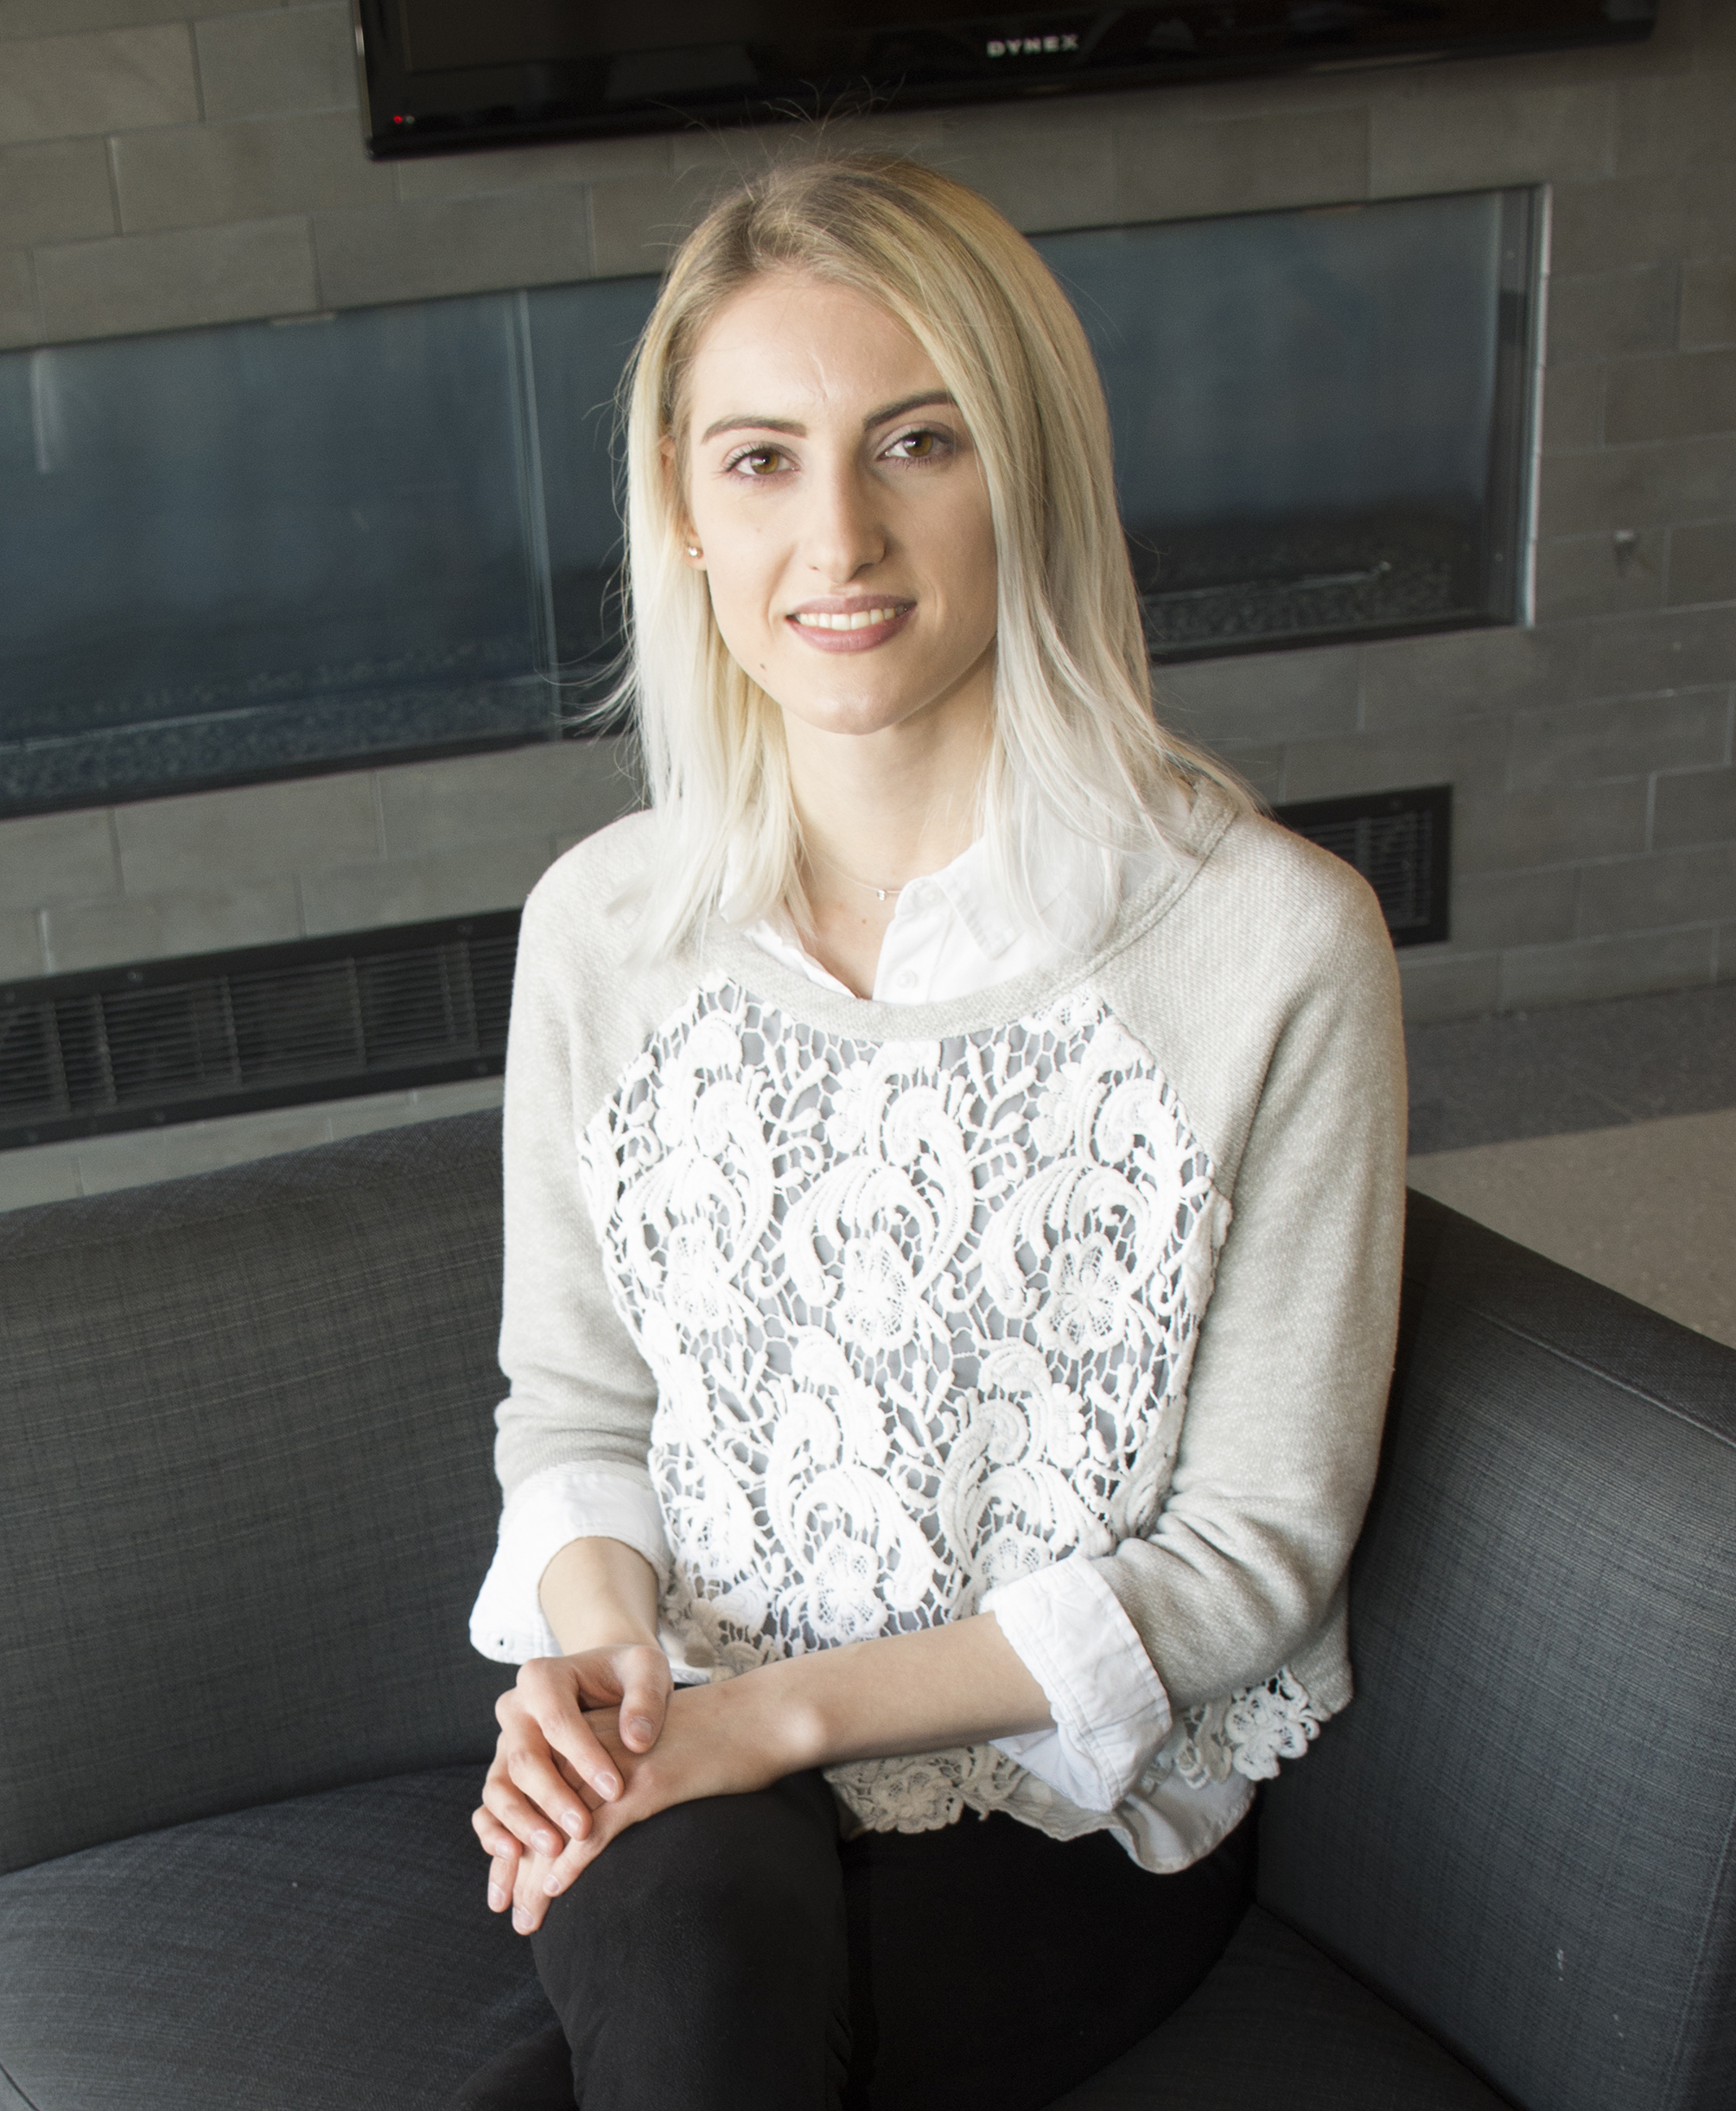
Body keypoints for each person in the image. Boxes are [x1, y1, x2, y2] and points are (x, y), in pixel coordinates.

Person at [455, 154, 1408, 2111]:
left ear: (1032, 473)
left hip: (1064, 1806)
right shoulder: (604, 927)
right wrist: (605, 1671)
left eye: (918, 440)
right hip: (690, 1772)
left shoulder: (1270, 943)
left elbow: (1255, 1557)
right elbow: (571, 1408)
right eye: (760, 460)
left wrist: (766, 1724)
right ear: (684, 520)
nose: (841, 536)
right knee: (700, 1928)